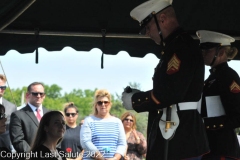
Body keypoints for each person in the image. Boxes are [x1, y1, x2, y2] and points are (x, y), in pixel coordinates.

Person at [121, 0, 209, 159]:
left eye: (148, 27)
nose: (147, 33)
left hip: (181, 138)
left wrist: (136, 100)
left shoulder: (181, 47)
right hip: (178, 135)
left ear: (162, 18)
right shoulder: (175, 46)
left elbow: (170, 93)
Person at [196, 30, 240, 160]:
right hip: (210, 148)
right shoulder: (213, 77)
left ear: (221, 52)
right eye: (202, 50)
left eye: (207, 50)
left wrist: (204, 124)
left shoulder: (228, 76)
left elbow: (238, 116)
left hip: (222, 151)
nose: (202, 54)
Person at [80, 89, 127, 160]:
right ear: (96, 105)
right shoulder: (89, 121)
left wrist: (115, 158)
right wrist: (100, 158)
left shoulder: (117, 122)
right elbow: (85, 142)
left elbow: (122, 143)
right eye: (100, 103)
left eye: (106, 102)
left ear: (110, 104)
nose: (103, 105)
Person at [9, 82, 48, 159]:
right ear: (27, 95)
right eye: (35, 93)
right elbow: (18, 140)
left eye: (41, 94)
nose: (38, 96)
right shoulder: (18, 115)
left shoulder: (50, 114)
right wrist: (34, 156)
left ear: (44, 96)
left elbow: (57, 136)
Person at [0, 74, 17, 153]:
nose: (1, 90)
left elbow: (14, 130)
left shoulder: (11, 107)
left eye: (3, 87)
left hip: (5, 149)